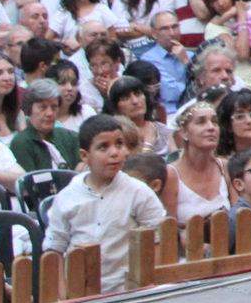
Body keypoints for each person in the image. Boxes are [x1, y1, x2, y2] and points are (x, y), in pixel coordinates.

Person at [40, 116, 168, 293]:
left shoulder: (139, 192)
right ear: (85, 155)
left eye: (119, 144)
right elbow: (55, 250)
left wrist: (147, 287)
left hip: (128, 290)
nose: (114, 152)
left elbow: (158, 240)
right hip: (80, 293)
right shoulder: (67, 197)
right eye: (103, 147)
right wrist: (63, 296)